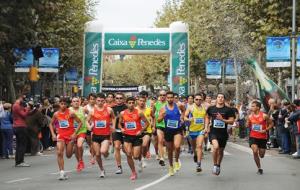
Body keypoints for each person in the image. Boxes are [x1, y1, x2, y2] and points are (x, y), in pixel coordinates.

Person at [49, 98, 82, 180]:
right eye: (61, 103)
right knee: (59, 153)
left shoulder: (71, 113)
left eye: (64, 104)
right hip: (61, 135)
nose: (63, 105)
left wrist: (75, 133)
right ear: (59, 104)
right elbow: (50, 124)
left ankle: (74, 150)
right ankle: (62, 172)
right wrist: (53, 134)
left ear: (67, 105)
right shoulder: (56, 114)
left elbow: (80, 122)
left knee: (68, 155)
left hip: (70, 136)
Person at [119, 97, 149, 180]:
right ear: (126, 103)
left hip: (136, 136)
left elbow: (147, 123)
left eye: (132, 103)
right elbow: (119, 124)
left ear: (134, 103)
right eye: (129, 103)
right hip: (127, 136)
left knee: (135, 156)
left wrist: (141, 130)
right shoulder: (122, 113)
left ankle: (139, 159)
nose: (131, 104)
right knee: (128, 154)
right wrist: (122, 129)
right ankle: (133, 172)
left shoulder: (139, 113)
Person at [205, 93, 235, 175]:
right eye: (219, 97)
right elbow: (207, 117)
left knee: (221, 151)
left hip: (223, 133)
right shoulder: (211, 108)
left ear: (224, 99)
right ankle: (215, 164)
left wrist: (223, 120)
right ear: (216, 99)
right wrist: (206, 127)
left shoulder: (228, 110)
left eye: (222, 97)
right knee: (216, 147)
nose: (220, 98)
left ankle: (218, 165)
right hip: (213, 132)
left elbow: (232, 121)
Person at [87, 93, 115, 178]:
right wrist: (89, 127)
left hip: (105, 135)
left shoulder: (109, 109)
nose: (100, 102)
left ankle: (106, 152)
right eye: (98, 101)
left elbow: (113, 118)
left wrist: (113, 126)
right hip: (95, 135)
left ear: (104, 100)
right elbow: (86, 120)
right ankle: (102, 170)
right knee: (98, 154)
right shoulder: (92, 111)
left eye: (102, 101)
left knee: (103, 151)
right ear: (96, 101)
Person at [157, 91, 185, 176]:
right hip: (168, 130)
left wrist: (182, 117)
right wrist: (162, 116)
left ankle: (176, 161)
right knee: (169, 150)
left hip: (177, 129)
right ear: (166, 98)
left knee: (177, 146)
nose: (169, 99)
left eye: (171, 97)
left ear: (174, 98)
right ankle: (171, 166)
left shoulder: (179, 105)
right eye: (168, 97)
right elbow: (158, 120)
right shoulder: (163, 108)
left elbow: (183, 111)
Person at [247, 101, 273, 174]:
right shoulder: (250, 116)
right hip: (253, 137)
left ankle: (261, 152)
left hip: (262, 137)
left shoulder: (264, 116)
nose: (251, 108)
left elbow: (271, 124)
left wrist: (265, 130)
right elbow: (248, 126)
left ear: (258, 107)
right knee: (255, 151)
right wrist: (247, 121)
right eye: (251, 106)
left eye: (253, 106)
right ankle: (259, 168)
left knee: (261, 155)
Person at [184, 93, 206, 172]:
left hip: (201, 130)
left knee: (199, 146)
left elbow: (206, 118)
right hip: (192, 131)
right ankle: (195, 154)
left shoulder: (204, 108)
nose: (198, 101)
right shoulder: (190, 107)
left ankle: (199, 164)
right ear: (194, 100)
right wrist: (188, 119)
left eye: (200, 99)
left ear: (202, 100)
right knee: (194, 147)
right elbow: (184, 117)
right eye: (196, 99)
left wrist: (206, 128)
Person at [69, 97, 88, 172]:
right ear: (71, 103)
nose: (76, 102)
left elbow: (91, 115)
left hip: (82, 130)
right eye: (74, 101)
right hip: (72, 132)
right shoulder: (69, 110)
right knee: (76, 147)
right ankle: (79, 162)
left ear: (79, 102)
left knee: (79, 145)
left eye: (77, 101)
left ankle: (81, 160)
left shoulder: (83, 109)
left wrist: (89, 122)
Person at [136, 95, 154, 168]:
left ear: (145, 102)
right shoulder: (135, 110)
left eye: (143, 101)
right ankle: (140, 159)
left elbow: (153, 117)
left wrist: (153, 124)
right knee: (139, 148)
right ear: (138, 101)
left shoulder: (149, 109)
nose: (142, 102)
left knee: (144, 145)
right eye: (140, 101)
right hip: (137, 131)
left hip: (147, 130)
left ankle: (143, 158)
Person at [111, 92, 127, 174]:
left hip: (126, 131)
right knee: (117, 147)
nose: (119, 100)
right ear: (115, 99)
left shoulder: (127, 107)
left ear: (123, 99)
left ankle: (137, 160)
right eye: (117, 98)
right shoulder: (112, 108)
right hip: (116, 130)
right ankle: (119, 167)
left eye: (121, 98)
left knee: (126, 150)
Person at [12, 94, 30, 167]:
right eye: (23, 99)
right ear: (20, 98)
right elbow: (24, 115)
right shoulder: (17, 105)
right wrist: (27, 109)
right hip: (21, 126)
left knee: (19, 144)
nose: (23, 101)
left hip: (16, 126)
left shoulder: (15, 105)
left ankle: (18, 161)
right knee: (22, 144)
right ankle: (20, 161)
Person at [154, 90, 167, 166]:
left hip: (168, 126)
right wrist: (153, 124)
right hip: (159, 125)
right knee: (160, 141)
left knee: (166, 142)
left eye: (164, 95)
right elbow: (153, 114)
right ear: (159, 96)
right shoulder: (156, 104)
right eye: (161, 95)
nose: (162, 96)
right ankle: (162, 157)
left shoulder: (169, 104)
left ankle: (166, 153)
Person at [84, 93, 97, 165]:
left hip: (95, 127)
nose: (92, 100)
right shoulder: (85, 107)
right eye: (91, 99)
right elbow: (84, 117)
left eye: (93, 99)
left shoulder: (97, 107)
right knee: (89, 141)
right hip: (87, 126)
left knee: (92, 142)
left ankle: (92, 157)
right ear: (89, 100)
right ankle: (91, 149)